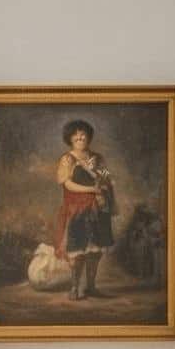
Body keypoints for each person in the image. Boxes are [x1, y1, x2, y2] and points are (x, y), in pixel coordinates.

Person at [53, 119, 116, 301]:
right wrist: (91, 189)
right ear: (70, 138)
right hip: (77, 209)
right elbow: (67, 184)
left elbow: (106, 178)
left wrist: (103, 183)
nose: (80, 137)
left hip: (98, 209)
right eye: (76, 135)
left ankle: (91, 287)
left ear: (88, 137)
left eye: (83, 134)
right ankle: (74, 288)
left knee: (95, 252)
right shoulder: (67, 159)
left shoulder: (98, 158)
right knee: (77, 250)